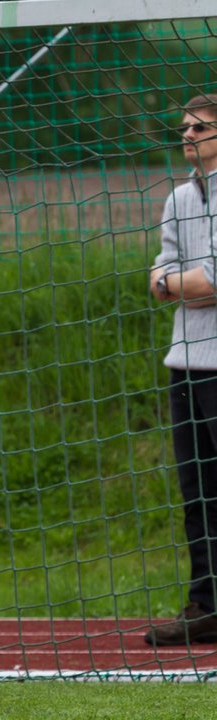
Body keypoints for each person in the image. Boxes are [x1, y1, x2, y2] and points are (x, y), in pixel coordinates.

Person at [145, 93, 217, 646]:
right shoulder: (176, 199)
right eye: (184, 128)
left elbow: (211, 282)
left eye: (199, 128)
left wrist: (180, 283)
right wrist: (178, 283)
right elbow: (161, 274)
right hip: (185, 363)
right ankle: (207, 605)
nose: (187, 135)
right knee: (197, 492)